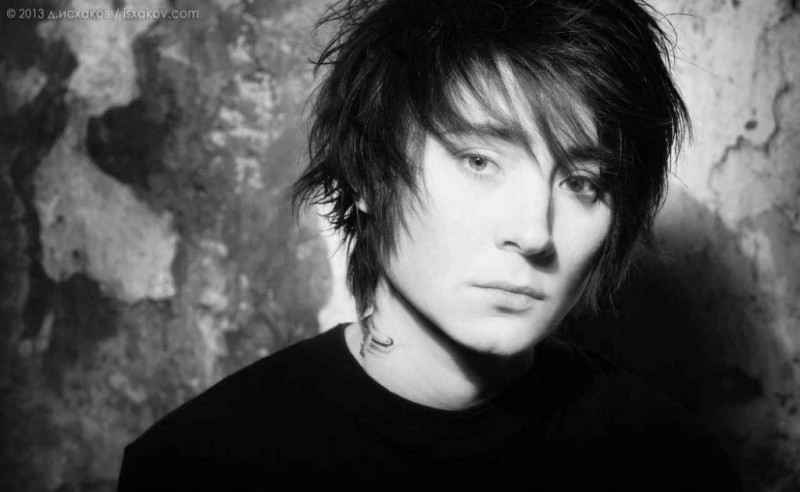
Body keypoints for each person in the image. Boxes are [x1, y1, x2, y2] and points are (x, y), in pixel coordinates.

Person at [118, 0, 743, 490]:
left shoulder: (671, 465)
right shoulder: (197, 465)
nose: (534, 233)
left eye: (581, 183)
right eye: (479, 160)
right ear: (366, 175)